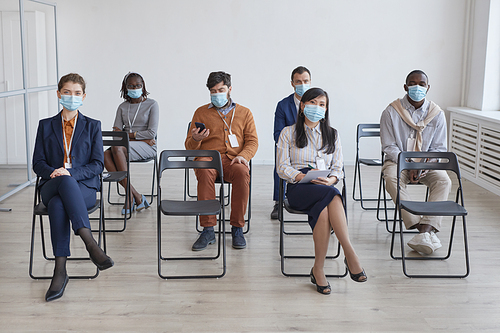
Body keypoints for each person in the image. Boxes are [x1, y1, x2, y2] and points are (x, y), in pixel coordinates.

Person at [32, 73, 114, 302]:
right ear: (59, 94)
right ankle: (89, 242)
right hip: (51, 183)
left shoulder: (93, 126)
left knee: (60, 203)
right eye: (67, 92)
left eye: (77, 93)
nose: (72, 97)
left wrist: (71, 173)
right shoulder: (45, 125)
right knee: (62, 185)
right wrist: (55, 172)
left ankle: (60, 271)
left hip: (84, 188)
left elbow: (98, 164)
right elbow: (37, 162)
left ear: (84, 96)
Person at [277, 87, 366, 295]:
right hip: (299, 187)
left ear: (326, 110)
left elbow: (338, 168)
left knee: (325, 207)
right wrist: (305, 176)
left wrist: (331, 179)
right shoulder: (288, 133)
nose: (317, 108)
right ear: (302, 106)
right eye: (313, 103)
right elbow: (282, 167)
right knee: (332, 195)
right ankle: (350, 253)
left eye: (322, 104)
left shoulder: (332, 134)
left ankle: (318, 269)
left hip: (325, 186)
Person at [380, 70, 452, 255]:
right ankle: (423, 229)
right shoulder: (391, 111)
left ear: (428, 88)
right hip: (398, 161)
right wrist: (410, 164)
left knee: (444, 180)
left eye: (422, 84)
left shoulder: (437, 114)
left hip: (427, 163)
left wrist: (422, 165)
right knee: (390, 178)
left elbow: (439, 148)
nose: (417, 87)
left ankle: (425, 231)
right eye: (413, 84)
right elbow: (389, 146)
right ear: (405, 87)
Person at [185, 71, 258, 250]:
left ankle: (237, 228)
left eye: (221, 90)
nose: (217, 94)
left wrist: (243, 156)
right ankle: (208, 229)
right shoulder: (201, 112)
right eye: (213, 91)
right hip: (208, 158)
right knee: (203, 169)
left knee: (242, 172)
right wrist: (195, 138)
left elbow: (252, 141)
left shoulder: (245, 113)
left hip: (234, 159)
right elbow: (189, 147)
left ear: (230, 89)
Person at [104, 72, 159, 214]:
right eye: (131, 86)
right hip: (125, 146)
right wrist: (138, 137)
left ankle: (130, 197)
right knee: (105, 155)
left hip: (148, 146)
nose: (135, 88)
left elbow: (151, 134)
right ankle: (135, 195)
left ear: (143, 86)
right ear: (125, 87)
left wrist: (127, 136)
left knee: (117, 148)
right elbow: (116, 133)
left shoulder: (152, 105)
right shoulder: (122, 107)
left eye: (138, 85)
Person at [271, 66, 311, 220]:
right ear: (292, 83)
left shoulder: (316, 104)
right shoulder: (283, 105)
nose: (302, 84)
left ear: (310, 81)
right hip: (289, 148)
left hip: (311, 150)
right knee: (279, 161)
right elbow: (277, 134)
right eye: (298, 81)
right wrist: (293, 145)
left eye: (305, 81)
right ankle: (278, 201)